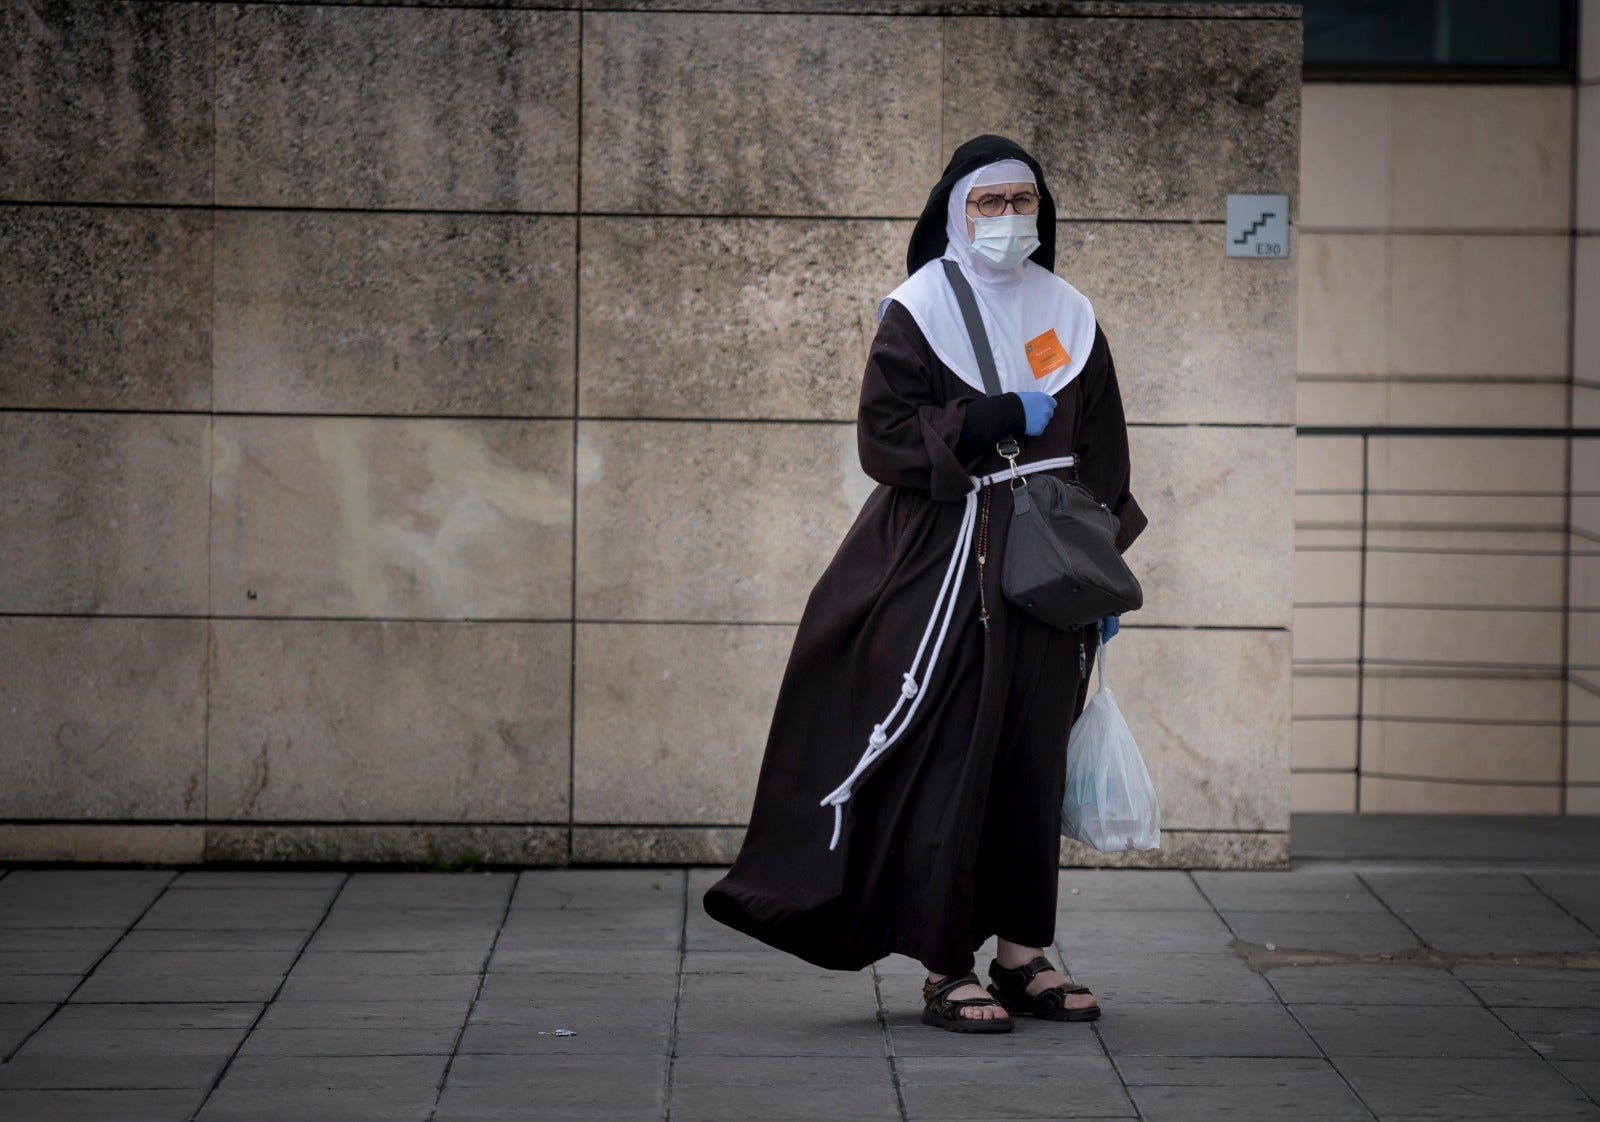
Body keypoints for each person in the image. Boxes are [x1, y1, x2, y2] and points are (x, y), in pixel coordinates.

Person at [703, 135, 1146, 1033]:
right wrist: (985, 417)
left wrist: (1100, 577)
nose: (1009, 221)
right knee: (956, 763)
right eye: (991, 204)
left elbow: (1103, 453)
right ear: (955, 211)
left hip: (1050, 572)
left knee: (1033, 761)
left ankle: (1023, 954)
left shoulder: (1072, 312)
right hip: (944, 568)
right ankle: (948, 966)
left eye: (1024, 203)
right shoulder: (919, 310)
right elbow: (885, 438)